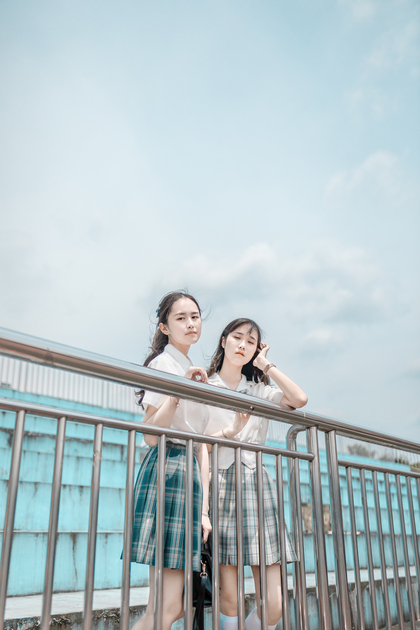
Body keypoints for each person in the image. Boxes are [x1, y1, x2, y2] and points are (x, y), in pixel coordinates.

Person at [129, 292, 247, 630]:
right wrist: (179, 390)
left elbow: (202, 445)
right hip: (169, 467)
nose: (191, 323)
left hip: (189, 472)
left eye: (194, 316)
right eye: (180, 318)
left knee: (172, 607)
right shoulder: (164, 365)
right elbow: (151, 435)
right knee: (168, 607)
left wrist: (205, 511)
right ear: (164, 327)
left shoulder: (190, 369)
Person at [205, 318, 308, 630]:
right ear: (223, 340)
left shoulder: (258, 390)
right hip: (219, 484)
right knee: (230, 599)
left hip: (257, 486)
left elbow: (298, 399)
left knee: (274, 605)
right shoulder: (204, 385)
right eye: (237, 337)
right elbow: (200, 446)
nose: (243, 345)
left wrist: (266, 365)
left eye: (251, 342)